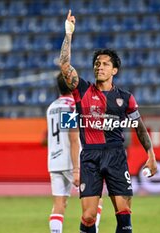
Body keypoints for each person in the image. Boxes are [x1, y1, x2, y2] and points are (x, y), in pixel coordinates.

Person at [59, 10, 157, 233]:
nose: (99, 66)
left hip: (115, 155)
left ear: (114, 70)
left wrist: (150, 154)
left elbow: (139, 127)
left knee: (124, 215)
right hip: (90, 156)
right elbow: (65, 66)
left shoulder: (126, 97)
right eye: (96, 63)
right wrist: (68, 33)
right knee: (88, 216)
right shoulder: (82, 90)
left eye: (104, 64)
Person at [46, 74, 103, 233]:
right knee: (95, 201)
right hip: (72, 161)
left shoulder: (52, 107)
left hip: (54, 161)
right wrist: (76, 169)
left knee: (59, 205)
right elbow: (73, 138)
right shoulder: (72, 106)